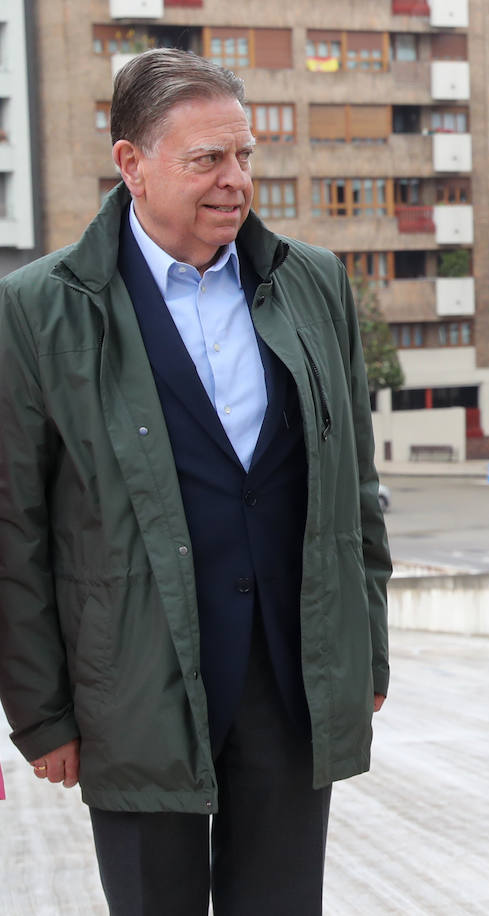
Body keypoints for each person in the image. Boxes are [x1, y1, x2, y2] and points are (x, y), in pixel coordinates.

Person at [0, 49, 390, 915]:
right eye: (206, 159)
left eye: (244, 155)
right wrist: (41, 713)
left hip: (291, 677)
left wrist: (367, 652)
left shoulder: (312, 281)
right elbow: (14, 529)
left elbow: (354, 485)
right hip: (135, 686)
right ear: (131, 164)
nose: (234, 180)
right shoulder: (38, 309)